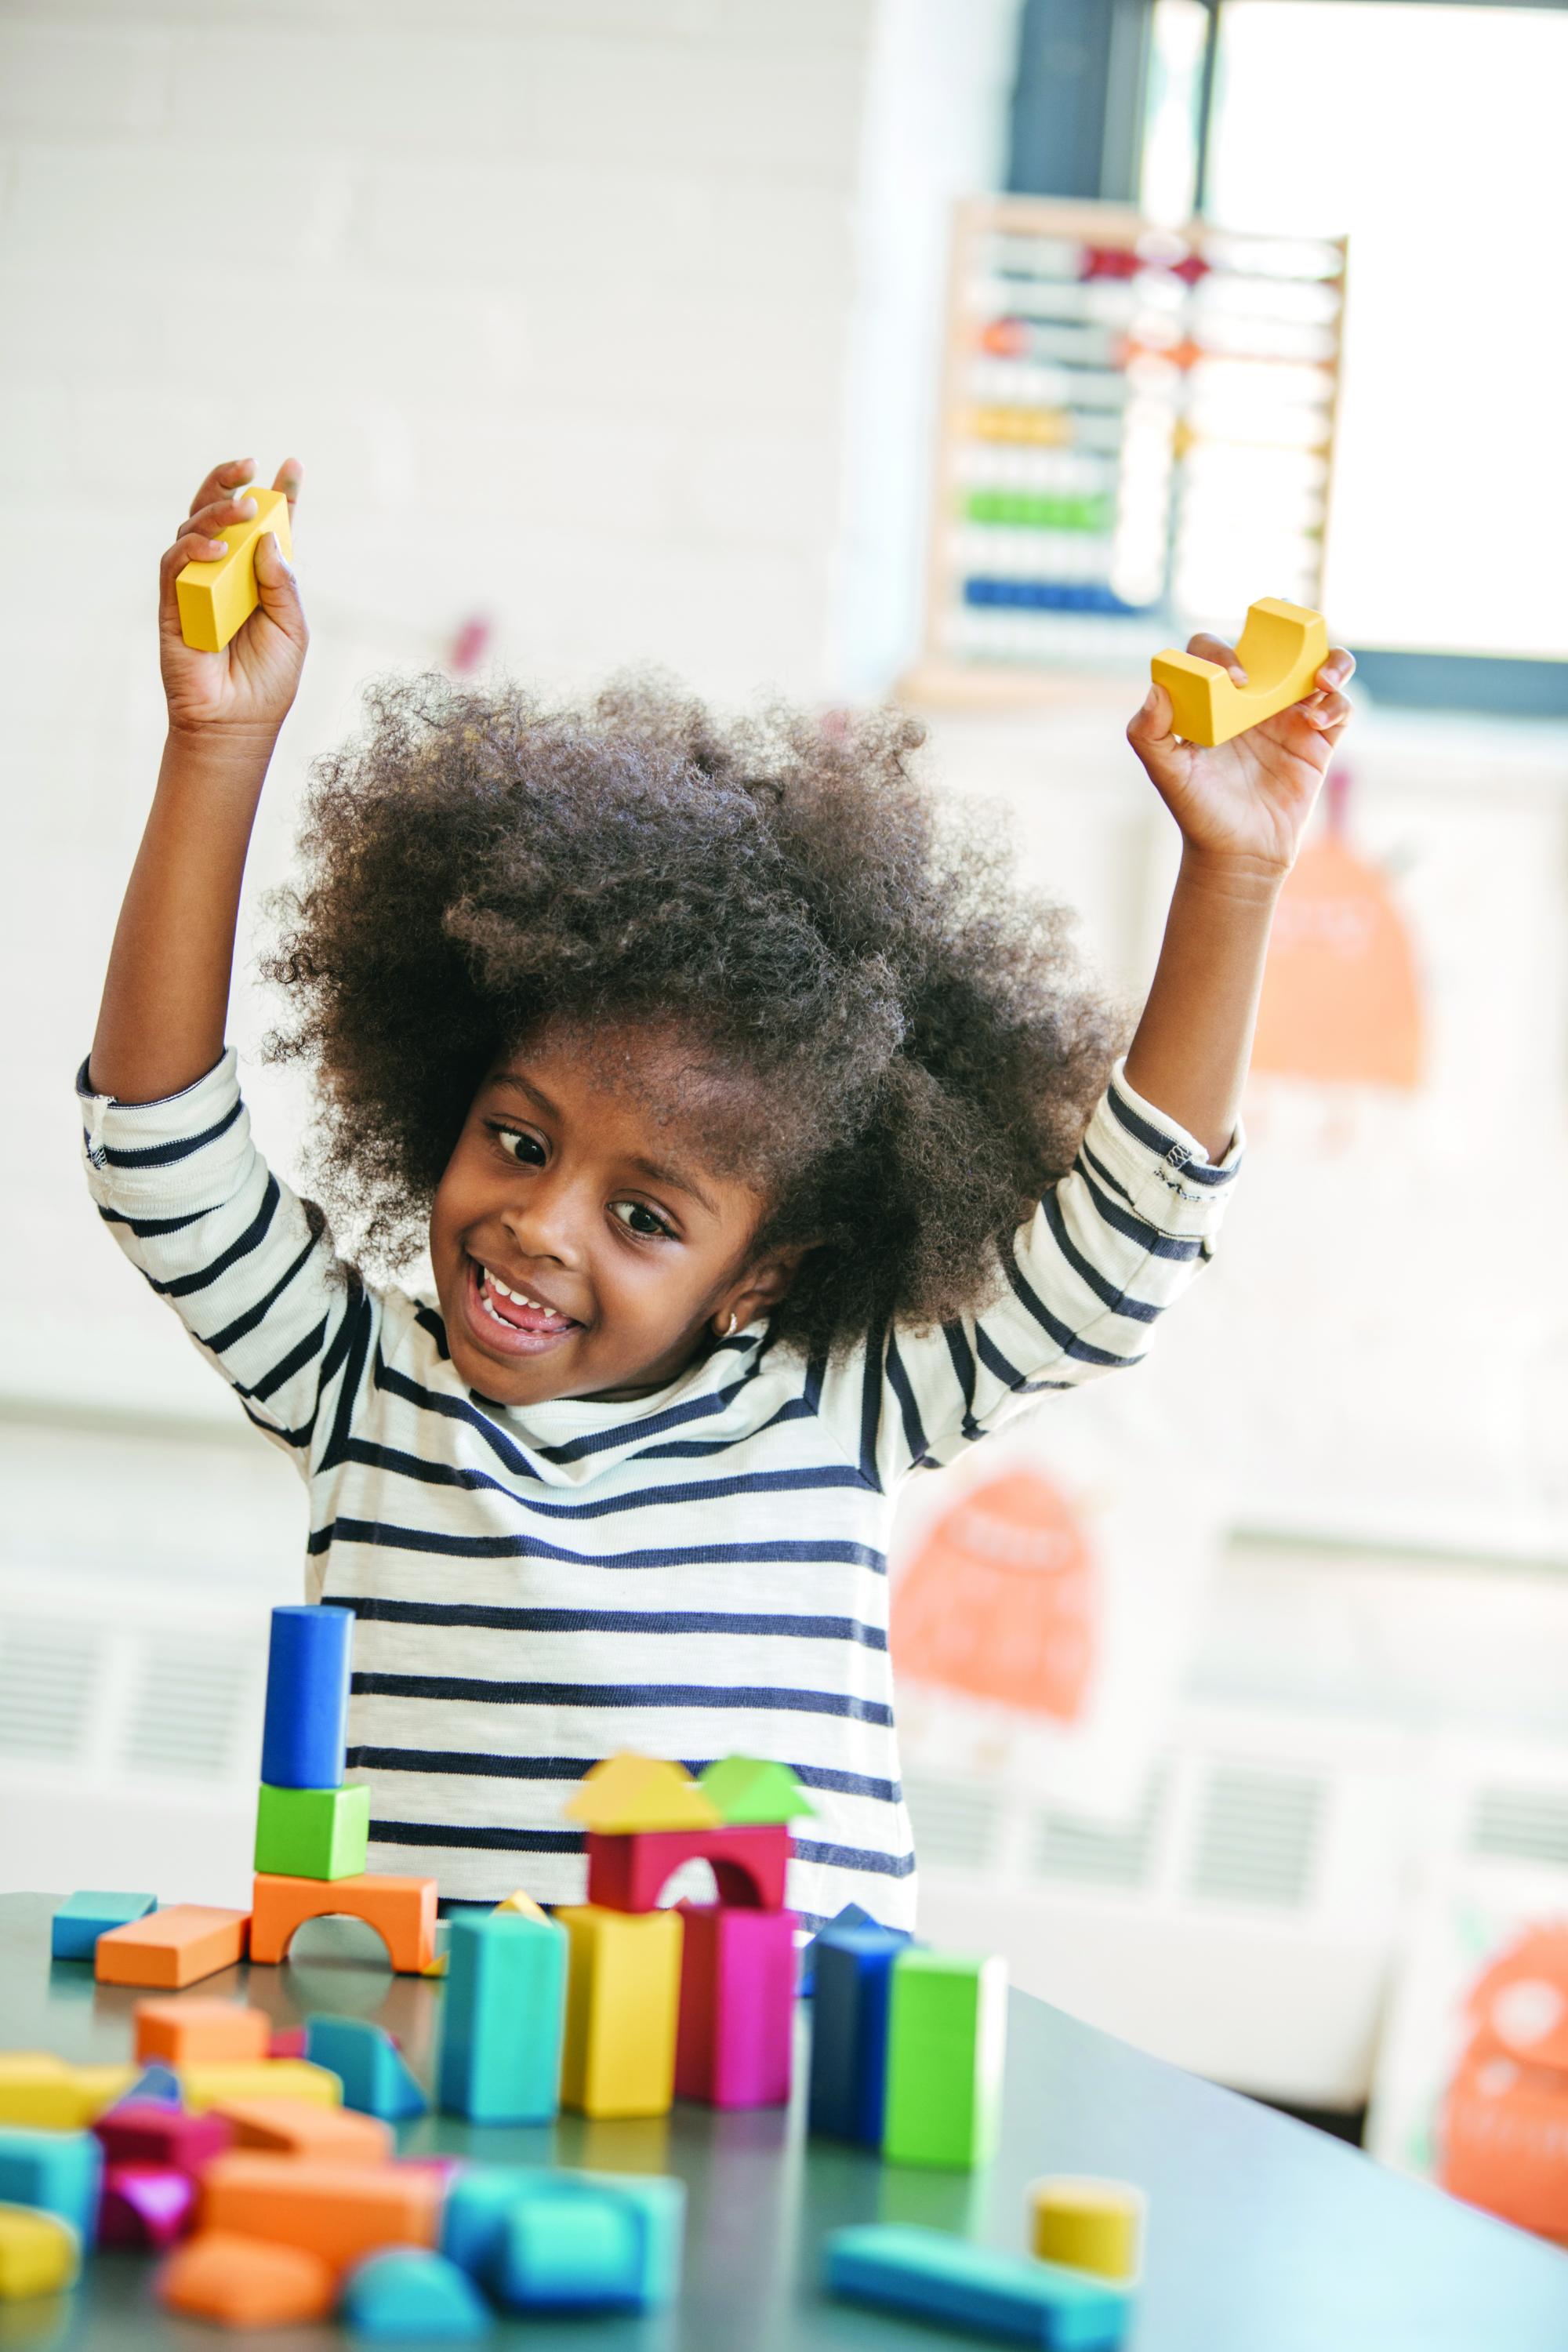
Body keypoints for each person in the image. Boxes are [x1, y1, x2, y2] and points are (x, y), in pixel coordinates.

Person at [81, 457, 1353, 1927]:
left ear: (760, 1271)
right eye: (517, 1138)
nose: (538, 1227)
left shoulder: (833, 1404)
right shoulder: (363, 1388)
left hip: (766, 2093)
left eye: (644, 1218)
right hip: (430, 2079)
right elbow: (158, 1147)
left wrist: (1236, 873)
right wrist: (217, 747)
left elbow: (1122, 1241)